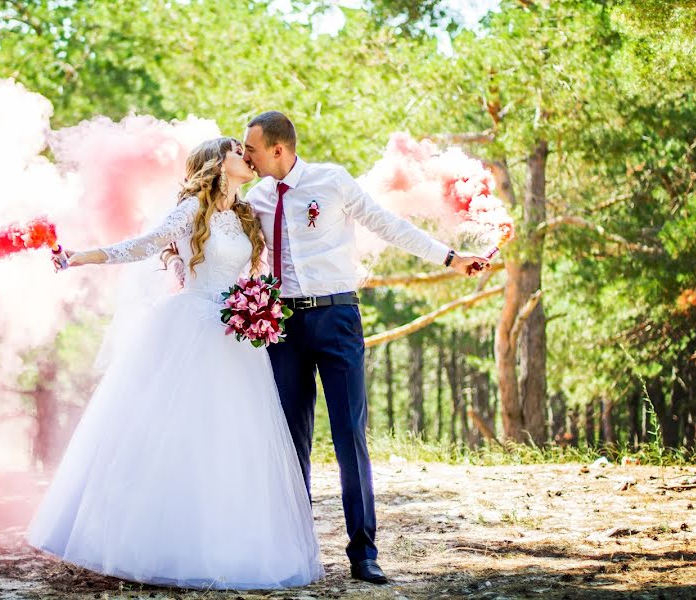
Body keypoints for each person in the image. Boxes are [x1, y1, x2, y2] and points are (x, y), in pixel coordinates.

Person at [27, 137, 323, 590]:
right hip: (192, 327)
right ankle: (158, 543)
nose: (246, 155)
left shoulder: (246, 214)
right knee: (179, 434)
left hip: (236, 338)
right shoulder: (192, 210)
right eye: (235, 150)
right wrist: (79, 257)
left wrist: (258, 305)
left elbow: (269, 263)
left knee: (234, 439)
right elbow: (144, 245)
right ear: (215, 164)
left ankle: (230, 543)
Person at [242, 111, 489, 584]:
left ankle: (364, 553)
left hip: (336, 317)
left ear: (279, 148)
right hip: (283, 326)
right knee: (291, 441)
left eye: (251, 149)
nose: (246, 156)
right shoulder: (254, 197)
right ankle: (296, 551)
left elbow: (388, 224)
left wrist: (451, 258)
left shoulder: (331, 181)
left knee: (348, 436)